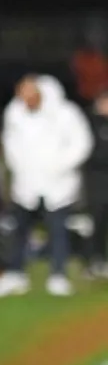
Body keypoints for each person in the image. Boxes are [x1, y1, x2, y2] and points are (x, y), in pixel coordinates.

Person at [0, 74, 93, 298]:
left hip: (58, 181)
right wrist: (20, 167)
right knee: (20, 229)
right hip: (27, 181)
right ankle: (15, 273)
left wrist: (61, 166)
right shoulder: (15, 113)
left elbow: (81, 143)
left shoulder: (65, 114)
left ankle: (58, 275)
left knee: (58, 230)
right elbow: (10, 143)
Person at [84, 90, 108, 277]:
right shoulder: (90, 125)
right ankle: (95, 259)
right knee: (97, 220)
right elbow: (89, 153)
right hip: (97, 182)